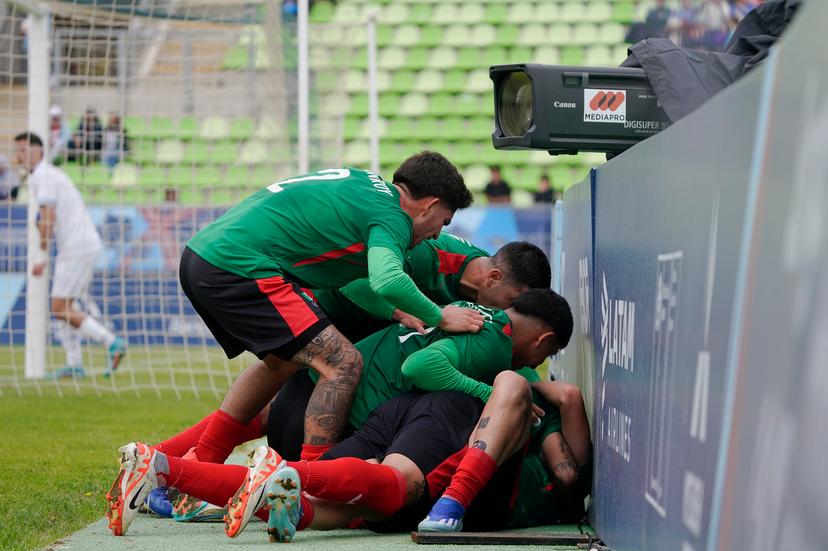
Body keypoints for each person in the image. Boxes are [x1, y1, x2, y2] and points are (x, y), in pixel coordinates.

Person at [105, 289, 575, 537]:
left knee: (313, 495)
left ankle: (165, 467)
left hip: (362, 403)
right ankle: (449, 507)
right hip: (424, 415)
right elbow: (566, 469)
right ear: (544, 342)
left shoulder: (462, 303)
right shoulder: (513, 369)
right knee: (393, 488)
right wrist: (548, 397)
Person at [172, 153, 482, 470]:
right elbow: (387, 278)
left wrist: (397, 313)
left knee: (280, 364)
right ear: (430, 204)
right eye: (443, 221)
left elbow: (357, 281)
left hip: (205, 255)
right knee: (342, 363)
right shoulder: (393, 216)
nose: (436, 235)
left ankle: (187, 462)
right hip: (241, 266)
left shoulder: (365, 186)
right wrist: (441, 316)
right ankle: (314, 476)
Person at [14, 132, 126, 377]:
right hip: (79, 244)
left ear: (38, 151)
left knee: (59, 307)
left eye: (24, 149)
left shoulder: (43, 175)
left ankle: (112, 343)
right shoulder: (46, 176)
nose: (19, 155)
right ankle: (74, 363)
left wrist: (41, 257)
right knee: (67, 305)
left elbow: (48, 218)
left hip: (77, 246)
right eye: (17, 150)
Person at [313, 234, 551, 343]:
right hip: (328, 308)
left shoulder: (485, 281)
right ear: (494, 277)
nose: (509, 311)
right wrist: (404, 312)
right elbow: (349, 279)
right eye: (512, 300)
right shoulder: (426, 254)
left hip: (368, 328)